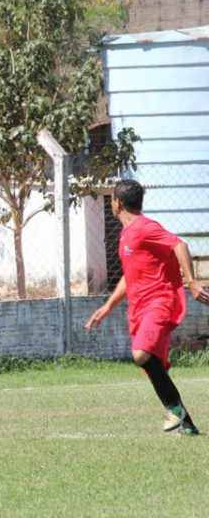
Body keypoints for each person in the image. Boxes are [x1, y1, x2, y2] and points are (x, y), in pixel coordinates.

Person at [85, 179, 209, 436]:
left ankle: (174, 409)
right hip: (139, 307)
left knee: (141, 353)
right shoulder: (126, 234)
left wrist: (192, 281)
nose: (111, 203)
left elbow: (179, 245)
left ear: (117, 203)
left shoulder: (144, 228)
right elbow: (130, 275)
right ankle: (187, 426)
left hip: (160, 301)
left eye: (111, 199)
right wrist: (109, 305)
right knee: (151, 365)